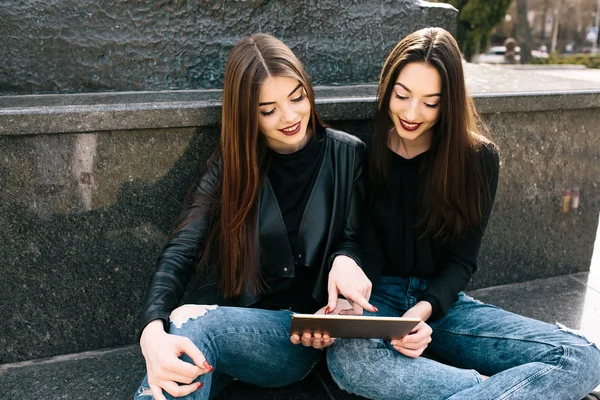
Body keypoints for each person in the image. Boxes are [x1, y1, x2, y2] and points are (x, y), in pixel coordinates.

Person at [326, 27, 600, 400]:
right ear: (388, 87)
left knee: (582, 357)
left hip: (444, 303)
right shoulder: (362, 148)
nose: (410, 112)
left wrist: (420, 313)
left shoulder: (477, 159)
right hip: (376, 298)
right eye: (401, 95)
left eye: (430, 102)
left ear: (449, 102)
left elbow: (461, 262)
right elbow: (354, 240)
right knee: (350, 363)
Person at [134, 33, 375, 400]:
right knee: (181, 342)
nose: (290, 116)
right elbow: (182, 248)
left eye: (297, 98)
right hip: (228, 322)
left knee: (192, 325)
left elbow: (354, 239)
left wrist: (344, 265)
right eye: (269, 110)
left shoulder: (348, 155)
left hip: (293, 339)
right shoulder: (230, 165)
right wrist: (151, 331)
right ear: (248, 115)